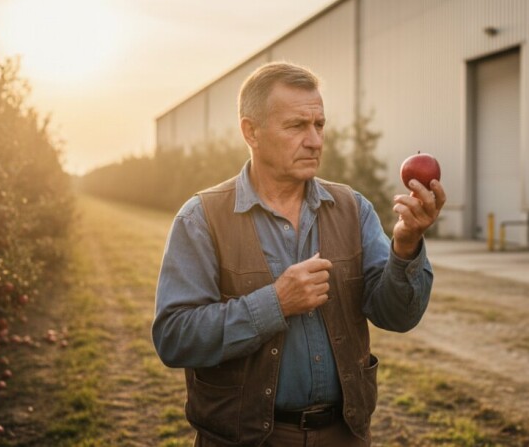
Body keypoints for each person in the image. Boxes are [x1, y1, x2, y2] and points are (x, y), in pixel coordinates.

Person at [152, 61, 445, 447]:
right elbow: (174, 338)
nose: (315, 141)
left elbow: (398, 316)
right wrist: (275, 302)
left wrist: (406, 245)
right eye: (296, 126)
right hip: (244, 439)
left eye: (319, 125)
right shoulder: (201, 218)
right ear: (250, 132)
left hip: (344, 435)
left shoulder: (352, 208)